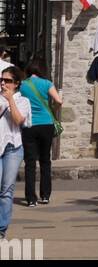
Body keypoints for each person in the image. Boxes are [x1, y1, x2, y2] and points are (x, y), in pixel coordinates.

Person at [20, 57, 61, 207]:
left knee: (30, 163)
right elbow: (58, 101)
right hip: (46, 124)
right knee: (45, 161)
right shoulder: (47, 83)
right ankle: (45, 195)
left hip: (29, 125)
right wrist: (53, 110)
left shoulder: (23, 85)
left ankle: (31, 198)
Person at [0, 65, 30, 239]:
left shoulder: (23, 101)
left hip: (13, 148)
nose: (3, 83)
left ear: (16, 83)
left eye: (8, 81)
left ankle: (1, 229)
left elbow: (19, 120)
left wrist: (10, 100)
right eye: (1, 80)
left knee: (6, 190)